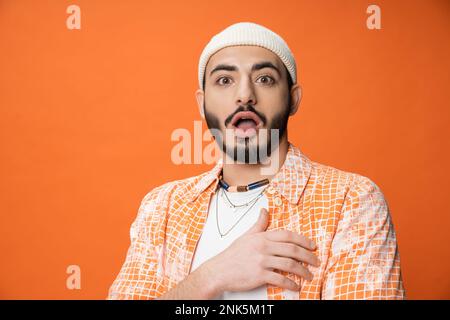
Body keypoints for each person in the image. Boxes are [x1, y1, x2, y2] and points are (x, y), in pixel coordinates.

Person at [107, 22, 405, 300]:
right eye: (225, 80)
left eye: (264, 79)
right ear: (202, 103)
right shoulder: (162, 207)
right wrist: (212, 275)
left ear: (293, 99)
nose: (245, 95)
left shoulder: (350, 200)